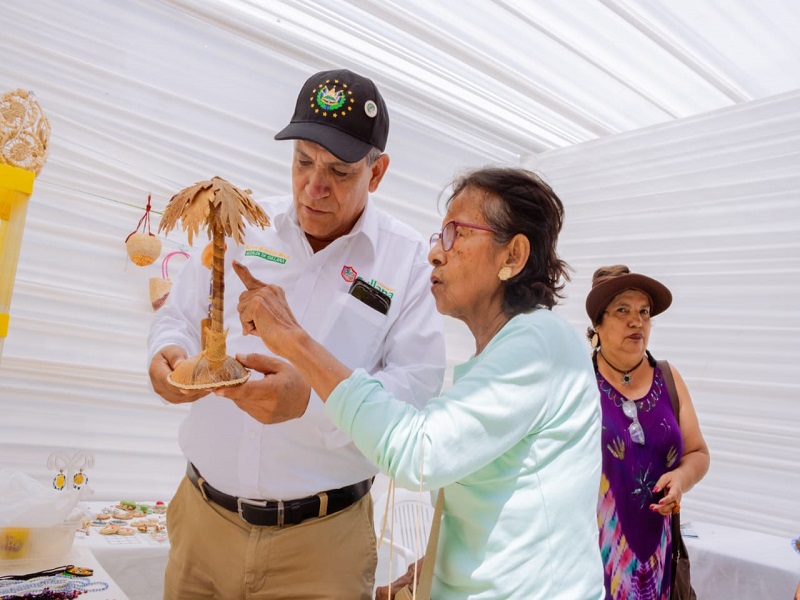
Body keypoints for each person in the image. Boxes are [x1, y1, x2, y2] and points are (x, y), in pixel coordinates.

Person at [233, 166, 606, 599]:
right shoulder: (505, 352)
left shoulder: (540, 346)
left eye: (456, 233)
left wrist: (295, 341)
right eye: (438, 235)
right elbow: (502, 501)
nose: (435, 253)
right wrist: (435, 568)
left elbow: (418, 454)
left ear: (513, 257)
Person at [148, 68, 447, 600]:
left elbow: (413, 397)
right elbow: (177, 314)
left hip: (320, 549)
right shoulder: (244, 224)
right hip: (202, 524)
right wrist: (166, 354)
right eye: (303, 161)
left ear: (376, 174)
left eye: (339, 171)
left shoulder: (407, 267)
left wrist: (310, 400)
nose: (314, 186)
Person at [585, 265, 710, 599]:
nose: (636, 321)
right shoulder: (579, 384)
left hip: (659, 563)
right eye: (622, 310)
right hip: (594, 564)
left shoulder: (669, 378)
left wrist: (682, 478)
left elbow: (698, 453)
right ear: (597, 323)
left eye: (644, 312)